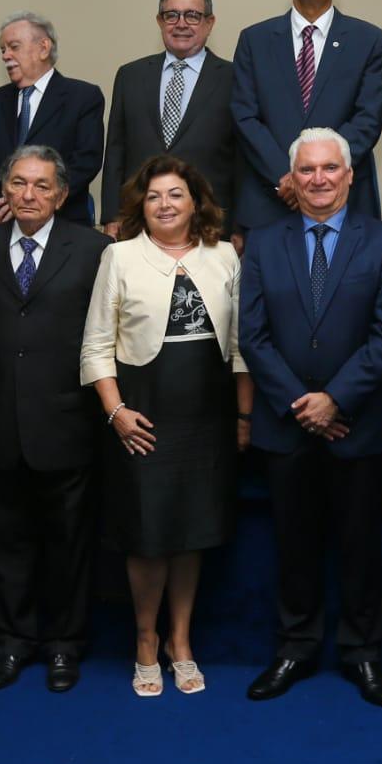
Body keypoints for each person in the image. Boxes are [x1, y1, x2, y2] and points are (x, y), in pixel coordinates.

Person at [239, 128, 382, 706]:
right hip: (286, 425)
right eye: (307, 170)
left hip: (359, 424)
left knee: (361, 547)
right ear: (292, 180)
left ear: (350, 175)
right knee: (293, 546)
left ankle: (363, 655)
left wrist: (335, 399)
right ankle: (295, 648)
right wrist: (303, 404)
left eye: (329, 168)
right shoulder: (263, 242)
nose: (319, 179)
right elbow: (253, 336)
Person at [81, 155, 254, 697]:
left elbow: (241, 349)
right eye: (154, 195)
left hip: (207, 417)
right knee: (149, 535)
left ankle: (181, 640)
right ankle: (145, 639)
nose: (164, 204)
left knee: (191, 532)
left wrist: (243, 416)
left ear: (196, 201)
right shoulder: (118, 255)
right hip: (143, 416)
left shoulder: (224, 255)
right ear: (142, 204)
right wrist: (116, 413)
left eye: (176, 194)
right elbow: (96, 346)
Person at [0, 146, 112, 692]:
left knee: (68, 546)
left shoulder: (93, 249)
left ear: (62, 195)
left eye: (42, 185)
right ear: (4, 189)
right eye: (19, 183)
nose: (29, 195)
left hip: (67, 422)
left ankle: (65, 646)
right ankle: (12, 644)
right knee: (7, 545)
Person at [231, 0, 382, 230]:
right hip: (271, 198)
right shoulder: (255, 40)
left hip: (344, 201)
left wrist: (319, 173)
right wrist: (288, 175)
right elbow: (245, 117)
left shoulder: (367, 40)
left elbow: (367, 119)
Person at [100, 0, 238, 238]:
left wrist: (240, 227)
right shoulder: (130, 76)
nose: (181, 24)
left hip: (209, 222)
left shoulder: (234, 78)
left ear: (209, 23)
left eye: (192, 15)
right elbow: (116, 150)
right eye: (172, 15)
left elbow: (242, 160)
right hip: (137, 221)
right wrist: (111, 215)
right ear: (160, 21)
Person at [0, 11, 105, 226]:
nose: (5, 56)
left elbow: (86, 162)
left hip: (62, 223)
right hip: (0, 224)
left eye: (13, 47)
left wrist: (36, 199)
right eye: (3, 50)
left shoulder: (83, 97)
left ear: (44, 48)